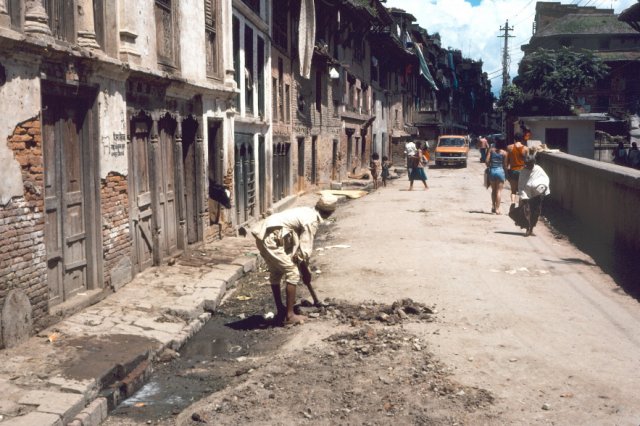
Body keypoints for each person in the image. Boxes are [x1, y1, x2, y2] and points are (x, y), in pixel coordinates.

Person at [252, 194, 338, 326]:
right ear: (330, 212)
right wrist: (305, 271)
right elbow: (304, 251)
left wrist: (304, 268)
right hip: (272, 238)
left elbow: (298, 248)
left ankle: (281, 310)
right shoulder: (311, 221)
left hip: (267, 235)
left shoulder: (307, 211)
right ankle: (289, 315)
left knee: (276, 271)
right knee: (292, 272)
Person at [517, 154, 550, 237]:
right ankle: (528, 228)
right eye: (526, 163)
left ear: (533, 162)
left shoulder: (538, 169)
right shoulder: (523, 171)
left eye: (530, 163)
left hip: (537, 195)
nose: (528, 165)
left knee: (536, 212)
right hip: (526, 195)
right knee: (527, 212)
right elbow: (520, 184)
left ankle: (531, 228)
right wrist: (523, 196)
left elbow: (545, 179)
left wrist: (542, 189)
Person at [485, 135, 508, 214]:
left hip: (492, 171)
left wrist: (489, 166)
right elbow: (505, 165)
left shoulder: (491, 150)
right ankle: (497, 209)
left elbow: (486, 161)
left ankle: (493, 206)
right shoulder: (504, 153)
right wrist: (506, 174)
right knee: (499, 191)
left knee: (493, 190)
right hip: (500, 172)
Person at [506, 132, 529, 205]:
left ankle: (513, 202)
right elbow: (527, 161)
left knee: (513, 191)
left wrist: (506, 171)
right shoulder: (525, 148)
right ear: (522, 139)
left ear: (514, 139)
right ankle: (520, 206)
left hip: (513, 170)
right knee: (522, 190)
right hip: (522, 171)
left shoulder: (509, 147)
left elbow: (507, 161)